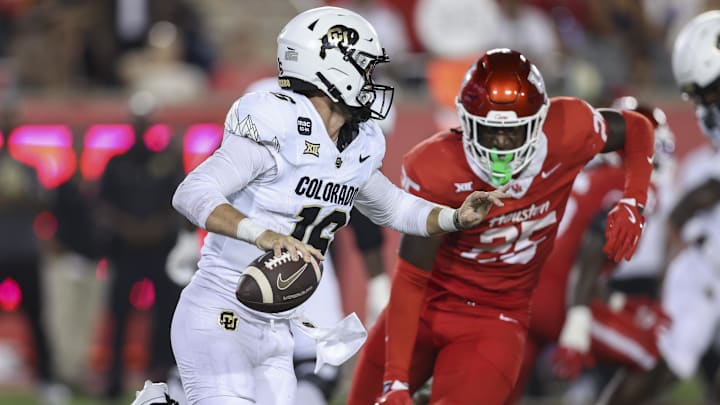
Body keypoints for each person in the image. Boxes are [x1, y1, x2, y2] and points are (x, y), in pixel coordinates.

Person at [169, 6, 508, 405]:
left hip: (277, 329)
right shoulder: (275, 120)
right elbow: (191, 192)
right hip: (220, 310)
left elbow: (394, 207)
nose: (371, 80)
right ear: (329, 65)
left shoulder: (358, 143)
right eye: (364, 68)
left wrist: (454, 217)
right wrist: (261, 234)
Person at [346, 48, 656, 405]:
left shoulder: (569, 129)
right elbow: (413, 275)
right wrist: (396, 380)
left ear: (540, 122)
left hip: (493, 318)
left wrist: (633, 200)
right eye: (491, 131)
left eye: (515, 132)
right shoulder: (437, 165)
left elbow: (636, 126)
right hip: (425, 308)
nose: (502, 146)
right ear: (466, 122)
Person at [505, 97, 676, 404]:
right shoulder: (627, 187)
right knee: (652, 357)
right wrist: (577, 324)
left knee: (500, 391)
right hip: (558, 301)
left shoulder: (587, 177)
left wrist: (619, 300)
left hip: (522, 291)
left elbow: (574, 253)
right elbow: (592, 244)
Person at [597, 10, 720, 404]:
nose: (705, 107)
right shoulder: (703, 164)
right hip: (705, 268)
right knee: (658, 364)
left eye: (709, 94)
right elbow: (692, 203)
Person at [97, 92, 185, 399]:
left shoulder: (166, 162)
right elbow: (102, 205)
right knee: (119, 314)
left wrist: (156, 227)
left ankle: (161, 375)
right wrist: (130, 228)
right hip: (125, 250)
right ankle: (113, 380)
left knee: (165, 316)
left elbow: (181, 201)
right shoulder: (117, 163)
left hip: (160, 250)